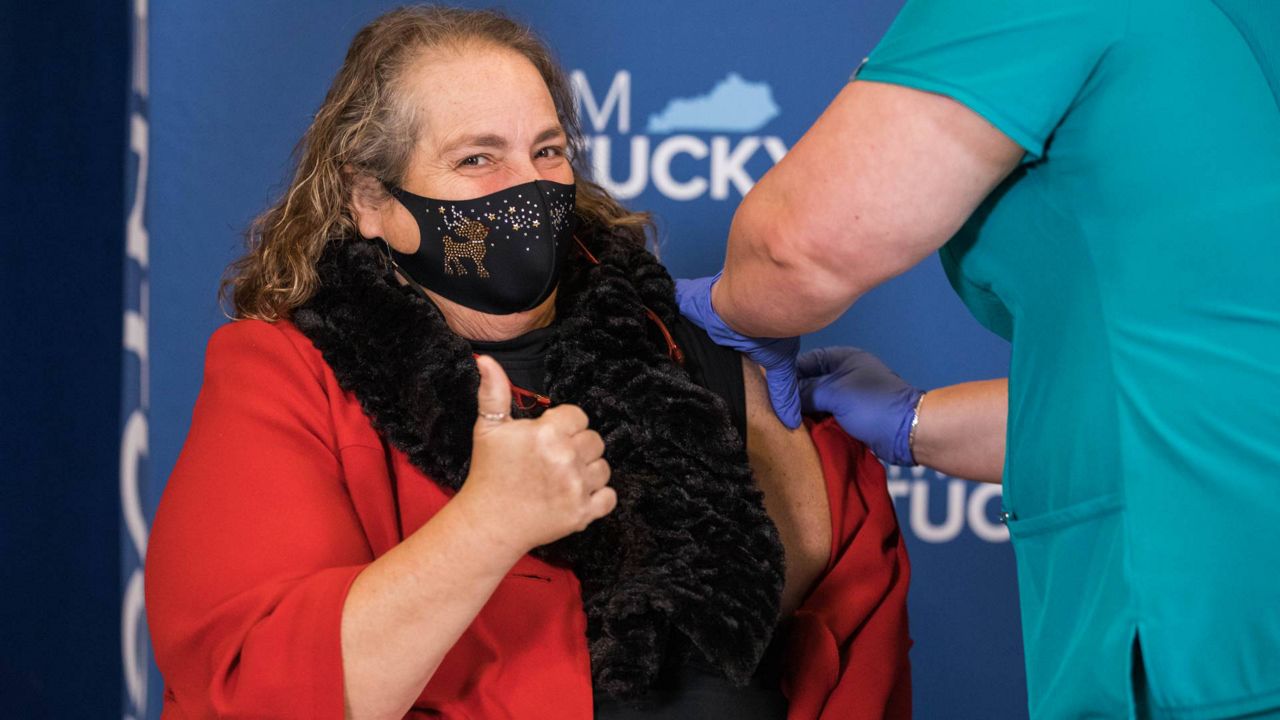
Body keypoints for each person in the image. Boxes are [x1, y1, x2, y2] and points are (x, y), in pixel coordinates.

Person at [144, 6, 912, 719]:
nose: (526, 190)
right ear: (370, 200)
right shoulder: (290, 376)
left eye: (546, 151)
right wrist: (486, 526)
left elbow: (844, 626)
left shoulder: (688, 352)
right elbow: (252, 688)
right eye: (477, 158)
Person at [677, 1, 1280, 718]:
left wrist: (720, 311)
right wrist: (914, 422)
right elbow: (1188, 381)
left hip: (1203, 606)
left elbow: (796, 249)